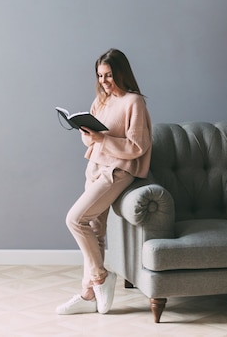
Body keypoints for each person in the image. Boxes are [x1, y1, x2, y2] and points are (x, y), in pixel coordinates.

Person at [56, 48, 152, 315]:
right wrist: (87, 133)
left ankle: (101, 277)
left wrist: (102, 140)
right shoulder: (101, 100)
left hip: (117, 172)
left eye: (109, 75)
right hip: (96, 168)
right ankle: (88, 295)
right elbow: (89, 139)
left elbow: (137, 146)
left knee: (75, 219)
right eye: (100, 76)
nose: (104, 81)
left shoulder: (134, 102)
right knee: (95, 232)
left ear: (121, 73)